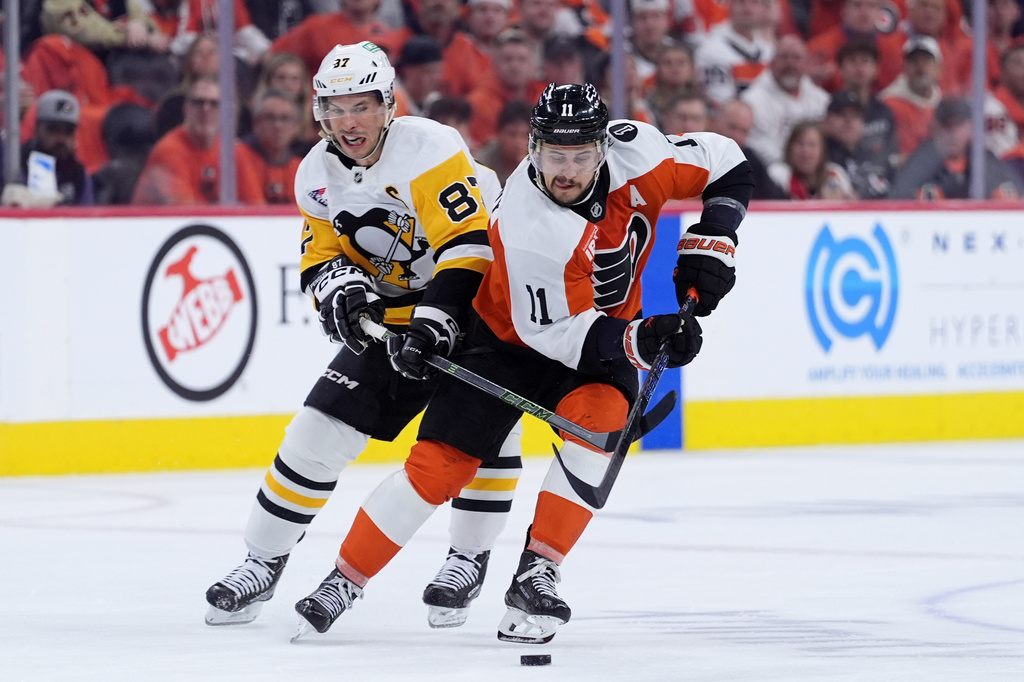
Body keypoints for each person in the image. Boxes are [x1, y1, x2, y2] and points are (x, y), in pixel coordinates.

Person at [291, 83, 753, 643]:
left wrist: (714, 237)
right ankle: (346, 578)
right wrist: (643, 341)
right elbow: (561, 335)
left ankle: (539, 571)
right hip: (508, 344)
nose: (567, 170)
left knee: (601, 425)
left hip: (598, 341)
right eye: (554, 155)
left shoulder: (642, 153)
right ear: (532, 148)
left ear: (604, 147)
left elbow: (726, 161)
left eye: (581, 156)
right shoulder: (527, 221)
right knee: (439, 467)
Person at [204, 41, 523, 630]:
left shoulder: (429, 149)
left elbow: (469, 248)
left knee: (481, 439)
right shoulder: (316, 175)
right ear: (319, 114)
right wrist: (341, 289)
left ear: (388, 105)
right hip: (396, 318)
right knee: (313, 435)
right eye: (335, 108)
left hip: (477, 309)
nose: (348, 122)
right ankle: (262, 560)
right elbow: (319, 259)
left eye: (362, 106)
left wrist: (436, 321)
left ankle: (468, 556)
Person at [131, 75, 266, 204]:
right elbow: (186, 213)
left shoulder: (234, 151)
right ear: (186, 109)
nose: (206, 109)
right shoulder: (169, 150)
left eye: (214, 104)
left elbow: (256, 209)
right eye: (199, 102)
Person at [891, 96, 1024, 200]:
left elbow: (1015, 200)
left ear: (971, 128)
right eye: (946, 126)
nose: (953, 134)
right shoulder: (917, 165)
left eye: (958, 125)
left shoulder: (986, 161)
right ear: (934, 128)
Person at [741, 34, 830, 167]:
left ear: (806, 63)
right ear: (772, 63)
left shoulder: (821, 99)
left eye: (796, 58)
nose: (790, 63)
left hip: (816, 169)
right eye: (784, 57)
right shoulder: (752, 101)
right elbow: (759, 148)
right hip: (775, 170)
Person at [2, 89, 94, 207]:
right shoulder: (16, 164)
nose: (61, 138)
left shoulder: (78, 173)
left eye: (68, 132)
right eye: (53, 130)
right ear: (37, 131)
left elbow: (88, 216)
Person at [693, 0, 773, 106]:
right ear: (729, 5)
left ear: (764, 8)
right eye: (741, 2)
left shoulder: (768, 51)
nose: (748, 7)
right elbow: (720, 101)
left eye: (755, 2)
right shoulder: (712, 50)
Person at [239, 88, 304, 204]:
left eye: (285, 118)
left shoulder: (303, 170)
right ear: (256, 123)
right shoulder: (239, 158)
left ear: (296, 126)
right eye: (270, 118)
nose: (277, 126)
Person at [768, 120, 856, 200]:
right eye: (800, 144)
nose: (805, 152)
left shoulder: (836, 173)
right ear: (789, 148)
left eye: (812, 145)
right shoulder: (778, 174)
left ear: (823, 150)